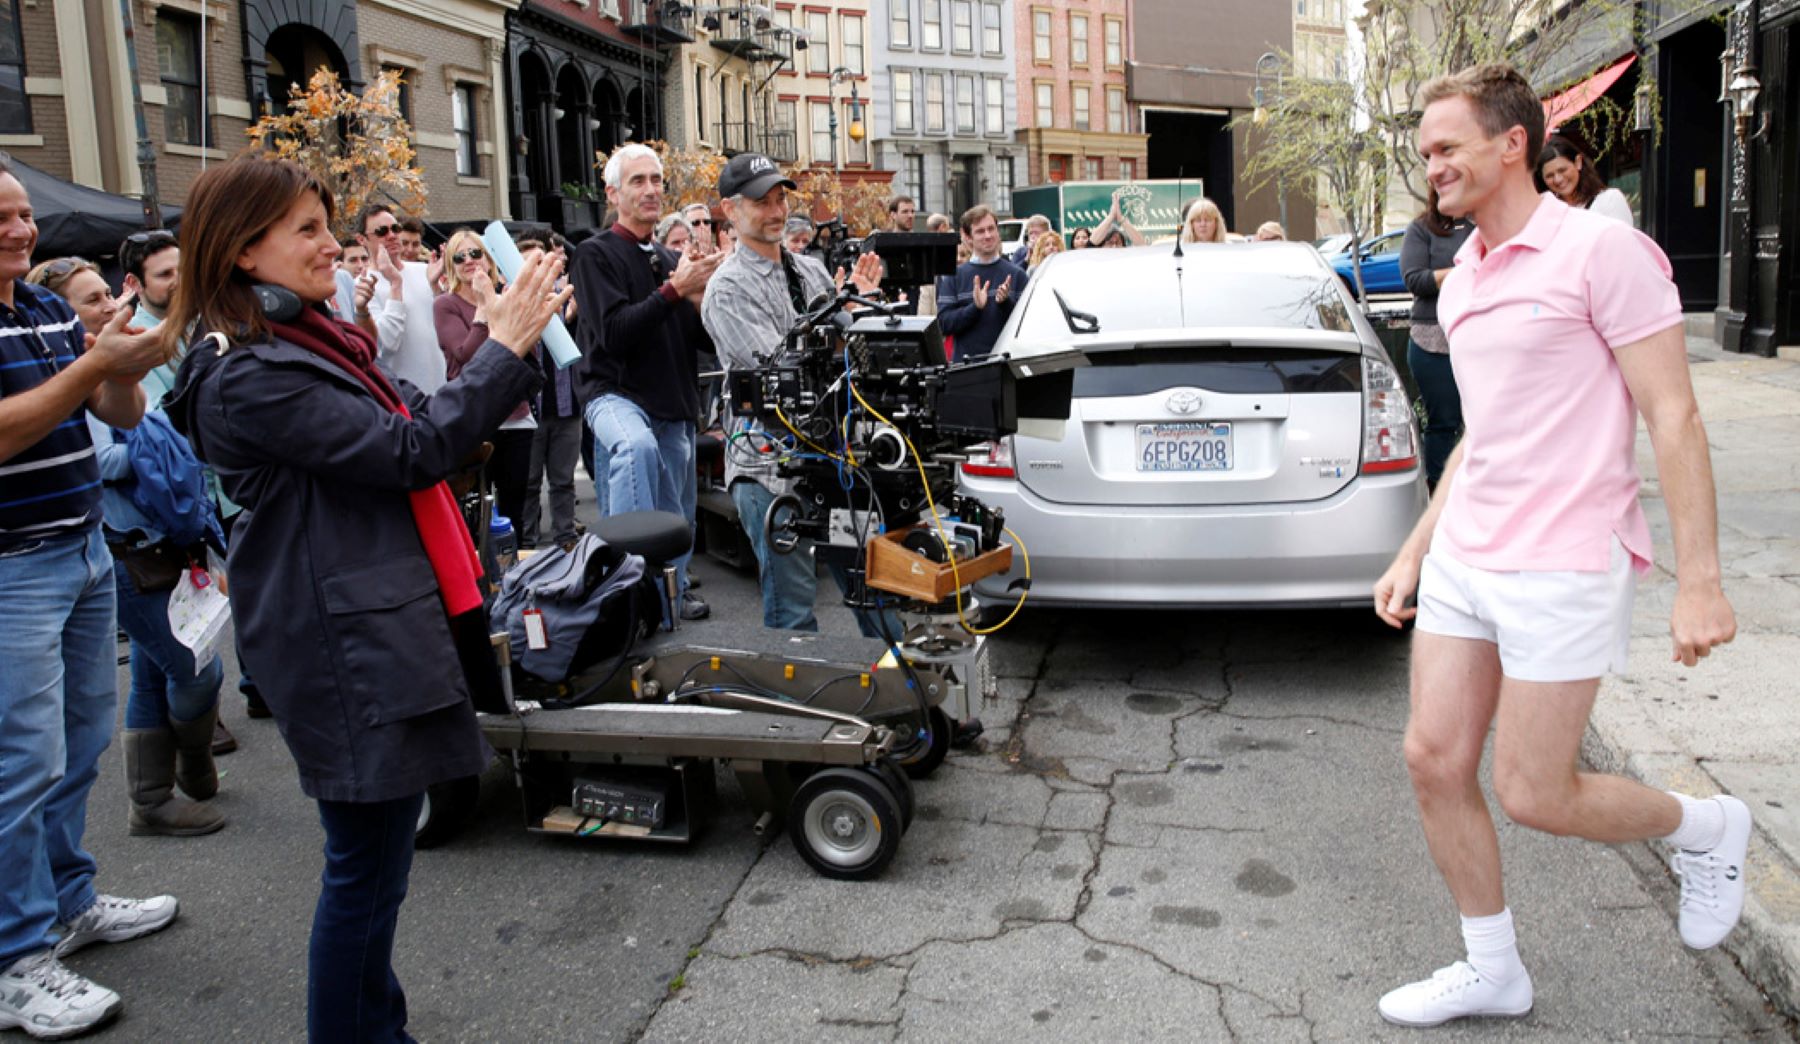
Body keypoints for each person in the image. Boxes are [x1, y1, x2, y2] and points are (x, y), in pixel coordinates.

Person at [1371, 63, 1743, 1028]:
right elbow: (1484, 438)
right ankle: (1491, 966)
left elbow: (1675, 415)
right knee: (1431, 757)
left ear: (1513, 143)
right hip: (1468, 557)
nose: (1433, 166)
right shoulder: (1463, 287)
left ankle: (1706, 828)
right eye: (1425, 152)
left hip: (1565, 559)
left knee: (1534, 788)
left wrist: (1697, 582)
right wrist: (1417, 546)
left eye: (1447, 147)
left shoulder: (1603, 254)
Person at [162, 155, 567, 1041]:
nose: (330, 246)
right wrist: (504, 350)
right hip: (336, 643)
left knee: (376, 865)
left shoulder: (313, 340)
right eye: (307, 230)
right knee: (364, 867)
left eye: (325, 225)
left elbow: (422, 411)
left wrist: (496, 343)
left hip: (363, 626)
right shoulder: (250, 373)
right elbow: (409, 450)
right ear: (240, 252)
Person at [0, 159, 186, 1041]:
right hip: (14, 569)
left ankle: (68, 903)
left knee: (76, 742)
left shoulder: (38, 309)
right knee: (17, 762)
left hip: (81, 551)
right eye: (2, 217)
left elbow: (117, 411)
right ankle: (13, 959)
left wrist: (118, 359)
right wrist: (93, 368)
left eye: (25, 214)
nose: (19, 229)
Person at [28, 255, 231, 838]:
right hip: (127, 548)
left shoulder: (110, 364)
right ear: (58, 314)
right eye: (93, 300)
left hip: (163, 536)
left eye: (109, 295)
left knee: (150, 670)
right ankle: (188, 762)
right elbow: (92, 461)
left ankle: (152, 798)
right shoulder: (58, 377)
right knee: (196, 669)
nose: (113, 306)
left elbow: (142, 425)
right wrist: (170, 446)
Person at [700, 152, 900, 638]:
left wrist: (855, 310)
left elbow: (843, 358)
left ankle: (905, 700)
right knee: (792, 612)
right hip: (770, 471)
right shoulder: (726, 290)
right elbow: (778, 373)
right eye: (761, 202)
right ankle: (798, 715)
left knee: (873, 591)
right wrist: (836, 320)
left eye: (780, 198)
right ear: (730, 211)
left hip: (833, 460)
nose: (776, 210)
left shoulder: (809, 271)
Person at [119, 231, 266, 729]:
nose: (179, 283)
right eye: (165, 275)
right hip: (175, 500)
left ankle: (250, 689)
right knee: (190, 609)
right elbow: (156, 427)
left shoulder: (199, 327)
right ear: (134, 285)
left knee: (232, 591)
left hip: (222, 486)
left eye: (183, 271)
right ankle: (199, 726)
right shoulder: (135, 340)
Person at [571, 143, 721, 621]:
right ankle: (626, 592)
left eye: (657, 180)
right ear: (613, 192)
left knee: (677, 520)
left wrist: (700, 299)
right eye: (638, 181)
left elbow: (699, 341)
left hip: (673, 402)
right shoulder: (594, 254)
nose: (651, 189)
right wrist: (674, 290)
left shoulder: (665, 256)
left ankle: (668, 602)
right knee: (634, 451)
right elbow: (614, 333)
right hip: (616, 394)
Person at [433, 229, 537, 530]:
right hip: (475, 417)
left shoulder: (507, 299)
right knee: (475, 510)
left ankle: (516, 568)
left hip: (515, 414)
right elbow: (465, 355)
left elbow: (526, 346)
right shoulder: (446, 305)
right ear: (451, 265)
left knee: (516, 505)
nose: (469, 261)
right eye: (459, 256)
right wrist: (482, 306)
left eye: (475, 253)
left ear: (489, 260)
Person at [1399, 186, 1475, 488]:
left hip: (1481, 334)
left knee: (1484, 421)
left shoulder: (1485, 224)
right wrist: (1462, 271)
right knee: (1444, 422)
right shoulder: (1421, 229)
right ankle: (1439, 493)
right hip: (1432, 339)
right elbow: (1414, 278)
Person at [516, 230, 583, 550]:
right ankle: (527, 543)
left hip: (567, 406)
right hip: (529, 409)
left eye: (540, 261)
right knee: (528, 483)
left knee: (563, 481)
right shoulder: (510, 302)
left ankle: (566, 541)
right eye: (529, 263)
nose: (536, 269)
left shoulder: (564, 297)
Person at [351, 203, 446, 393]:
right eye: (382, 231)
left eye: (395, 228)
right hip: (403, 396)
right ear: (362, 239)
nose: (392, 235)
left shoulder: (423, 271)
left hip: (440, 389)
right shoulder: (364, 284)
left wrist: (437, 290)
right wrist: (396, 284)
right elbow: (386, 343)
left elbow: (444, 327)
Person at [938, 205, 1028, 360]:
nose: (988, 235)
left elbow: (1027, 325)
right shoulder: (954, 277)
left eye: (991, 229)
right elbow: (944, 324)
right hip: (968, 369)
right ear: (967, 237)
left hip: (1008, 367)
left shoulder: (1017, 275)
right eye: (980, 231)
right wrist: (975, 308)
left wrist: (1006, 303)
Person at [1537, 135, 1633, 225]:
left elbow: (1623, 241)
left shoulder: (1609, 200)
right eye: (1549, 176)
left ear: (1578, 162)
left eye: (1563, 170)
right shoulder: (1545, 210)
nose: (1558, 179)